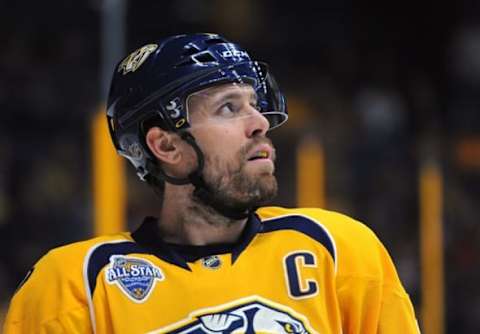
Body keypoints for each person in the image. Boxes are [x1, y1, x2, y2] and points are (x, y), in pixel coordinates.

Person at [4, 33, 419, 333]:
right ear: (165, 145)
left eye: (255, 105)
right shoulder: (75, 286)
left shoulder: (339, 252)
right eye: (228, 108)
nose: (259, 123)